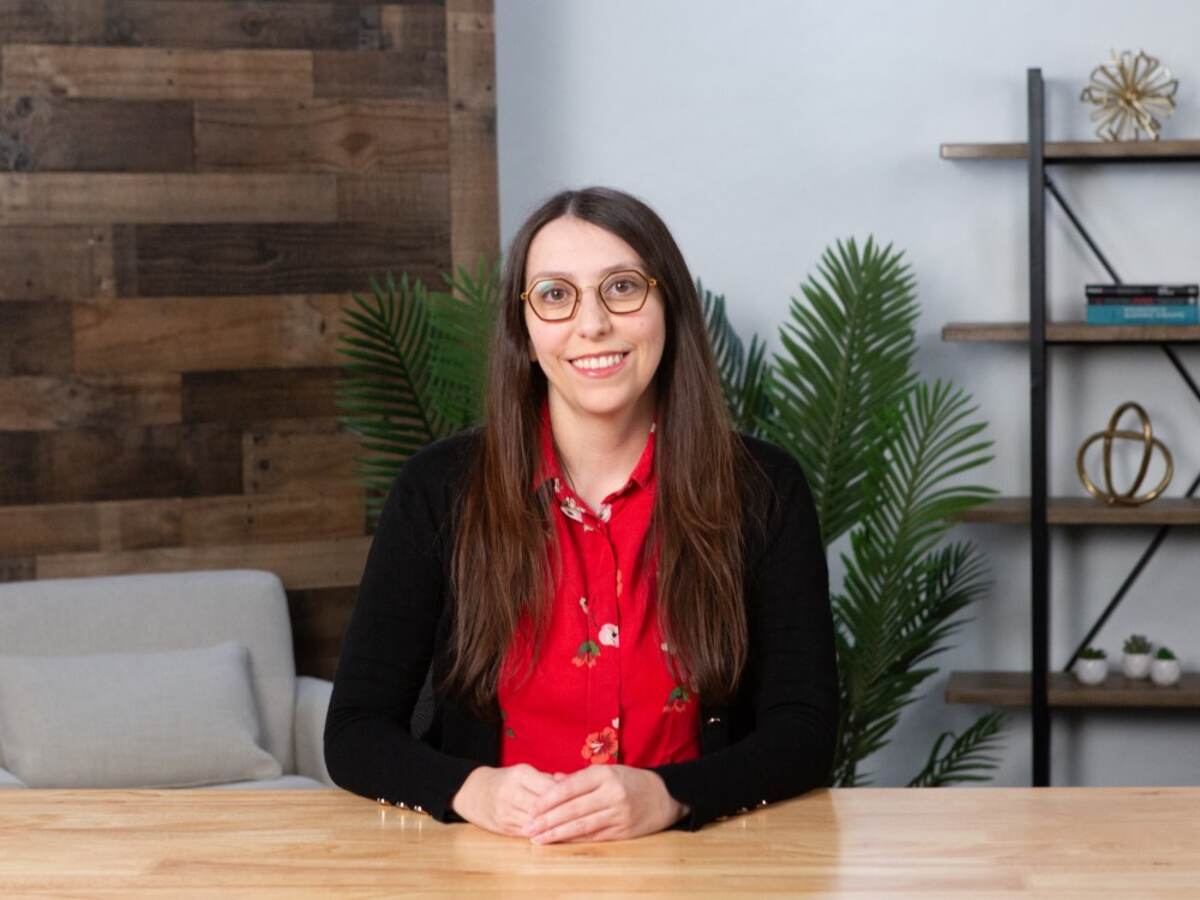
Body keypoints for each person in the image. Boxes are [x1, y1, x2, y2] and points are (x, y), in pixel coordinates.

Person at [324, 186, 838, 843]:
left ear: (668, 306)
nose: (591, 324)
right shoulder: (439, 490)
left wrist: (671, 797)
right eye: (555, 294)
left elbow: (806, 731)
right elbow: (356, 731)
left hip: (697, 872)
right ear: (524, 328)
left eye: (622, 288)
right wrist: (472, 789)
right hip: (492, 872)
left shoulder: (763, 489)